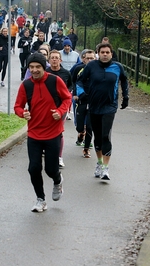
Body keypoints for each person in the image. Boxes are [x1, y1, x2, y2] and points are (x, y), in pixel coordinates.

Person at [14, 53, 72, 212]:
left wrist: (60, 112)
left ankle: (58, 180)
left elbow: (67, 98)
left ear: (44, 67)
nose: (34, 70)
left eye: (37, 67)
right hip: (34, 133)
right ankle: (40, 199)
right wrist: (22, 113)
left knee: (50, 169)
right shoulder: (26, 85)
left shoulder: (55, 81)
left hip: (53, 133)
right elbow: (17, 106)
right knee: (33, 168)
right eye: (31, 67)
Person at [76, 43, 129, 180]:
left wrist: (126, 97)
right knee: (97, 136)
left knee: (106, 135)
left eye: (107, 52)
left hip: (110, 106)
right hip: (93, 106)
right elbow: (79, 81)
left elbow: (124, 80)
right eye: (102, 52)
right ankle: (99, 163)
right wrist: (82, 94)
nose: (105, 55)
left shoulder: (117, 67)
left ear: (111, 54)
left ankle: (106, 168)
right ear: (98, 54)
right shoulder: (91, 66)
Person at [46, 50, 73, 168]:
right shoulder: (45, 73)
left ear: (60, 60)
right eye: (52, 58)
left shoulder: (66, 73)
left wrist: (67, 92)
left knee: (58, 132)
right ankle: (48, 154)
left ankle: (59, 157)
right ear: (49, 60)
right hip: (46, 107)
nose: (54, 60)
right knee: (47, 131)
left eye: (57, 58)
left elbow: (71, 85)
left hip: (61, 107)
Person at [72, 49, 95, 158]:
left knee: (90, 127)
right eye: (88, 58)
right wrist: (75, 94)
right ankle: (81, 133)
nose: (90, 60)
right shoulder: (78, 69)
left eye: (92, 58)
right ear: (83, 59)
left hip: (93, 102)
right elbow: (74, 81)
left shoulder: (99, 70)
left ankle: (86, 149)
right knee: (80, 126)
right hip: (81, 100)